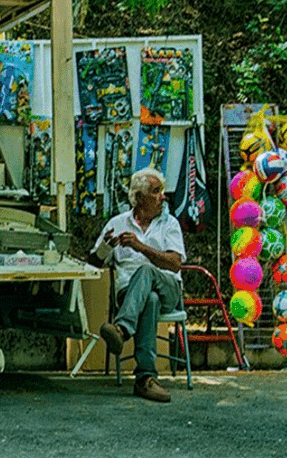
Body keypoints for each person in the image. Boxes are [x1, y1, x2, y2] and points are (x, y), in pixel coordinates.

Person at [89, 166, 185, 403]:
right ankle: (145, 379)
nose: (162, 196)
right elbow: (92, 263)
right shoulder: (117, 223)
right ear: (139, 197)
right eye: (155, 191)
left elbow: (174, 264)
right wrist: (106, 248)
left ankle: (122, 329)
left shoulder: (169, 223)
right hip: (129, 295)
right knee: (148, 299)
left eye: (161, 191)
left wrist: (140, 247)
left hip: (168, 289)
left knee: (146, 272)